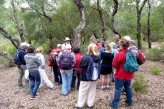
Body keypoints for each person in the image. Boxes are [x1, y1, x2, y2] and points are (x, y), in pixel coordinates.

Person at [109, 39, 134, 108]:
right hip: (129, 74)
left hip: (121, 74)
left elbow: (114, 64)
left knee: (118, 89)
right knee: (128, 88)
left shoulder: (120, 54)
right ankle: (129, 101)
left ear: (121, 45)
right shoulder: (131, 52)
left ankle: (115, 104)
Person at [75, 43, 101, 109]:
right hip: (94, 77)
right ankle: (90, 104)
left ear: (89, 49)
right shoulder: (98, 58)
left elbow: (81, 65)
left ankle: (80, 105)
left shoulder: (86, 57)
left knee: (83, 91)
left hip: (85, 77)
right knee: (92, 91)